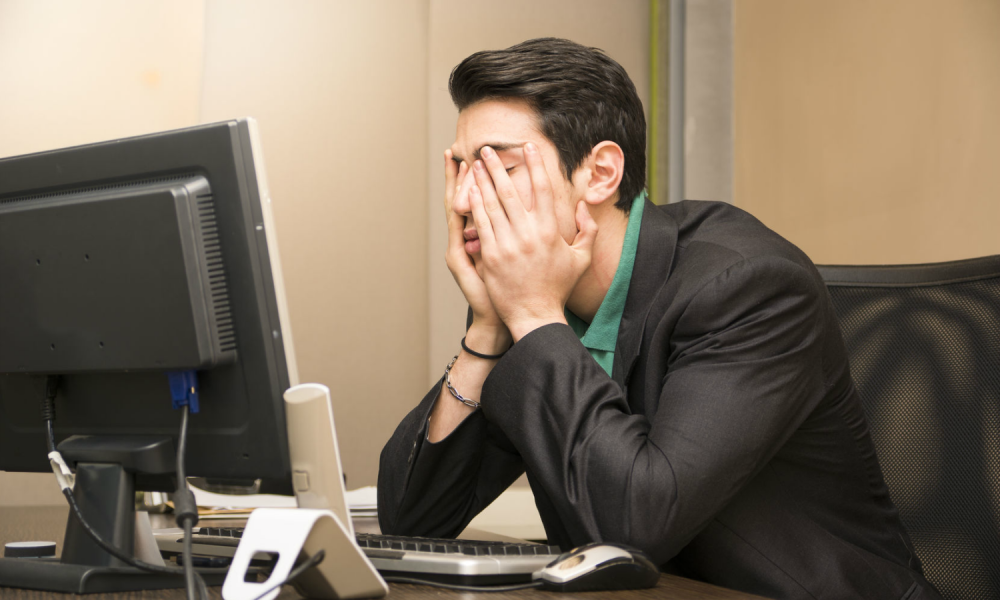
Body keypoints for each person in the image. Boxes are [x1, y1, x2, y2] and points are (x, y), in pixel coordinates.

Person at [377, 37, 940, 599]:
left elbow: (634, 527)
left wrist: (530, 315)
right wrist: (487, 329)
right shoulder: (538, 302)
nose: (465, 201)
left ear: (599, 173)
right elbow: (413, 519)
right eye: (461, 169)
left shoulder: (750, 286)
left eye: (498, 167)